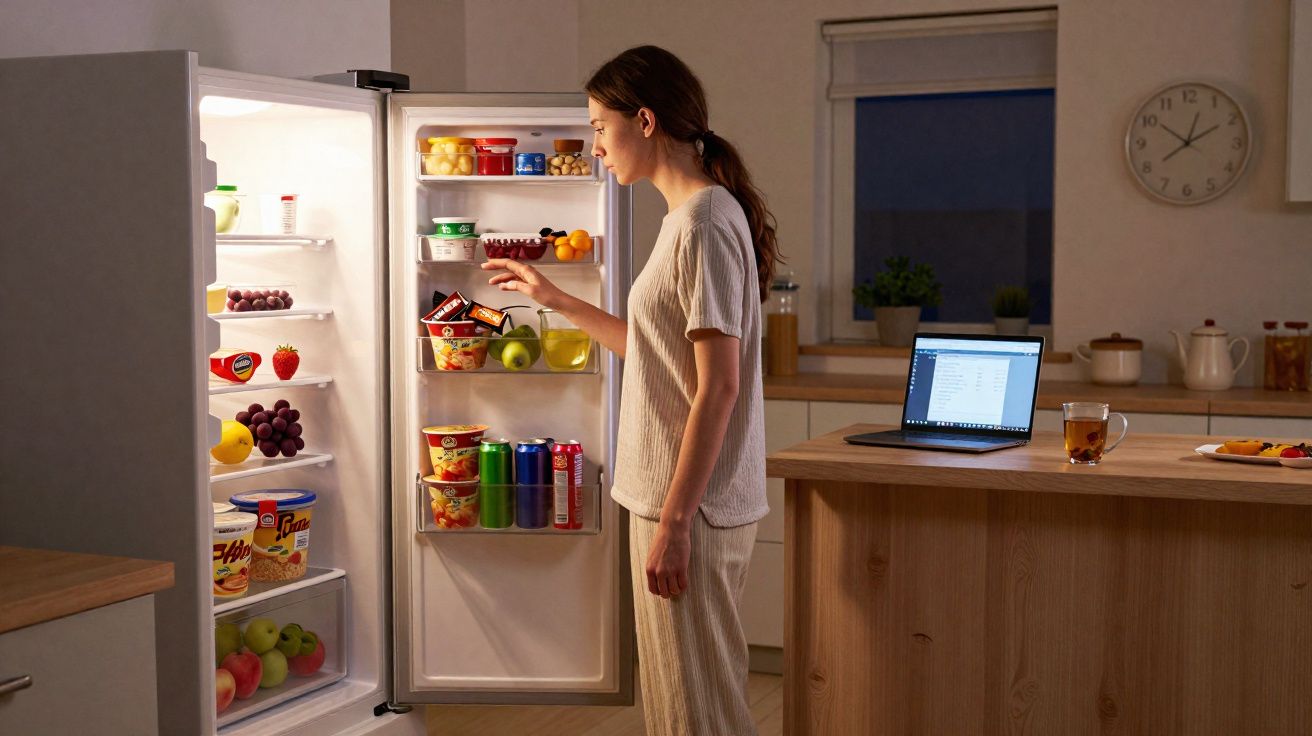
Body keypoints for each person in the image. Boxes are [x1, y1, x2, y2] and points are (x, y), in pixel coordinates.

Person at [483, 44, 779, 735]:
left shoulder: (703, 224)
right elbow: (657, 354)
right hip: (687, 501)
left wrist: (675, 523)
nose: (593, 146)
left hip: (691, 509)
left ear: (643, 121)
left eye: (597, 126)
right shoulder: (694, 218)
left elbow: (720, 387)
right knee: (694, 701)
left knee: (695, 715)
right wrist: (555, 298)